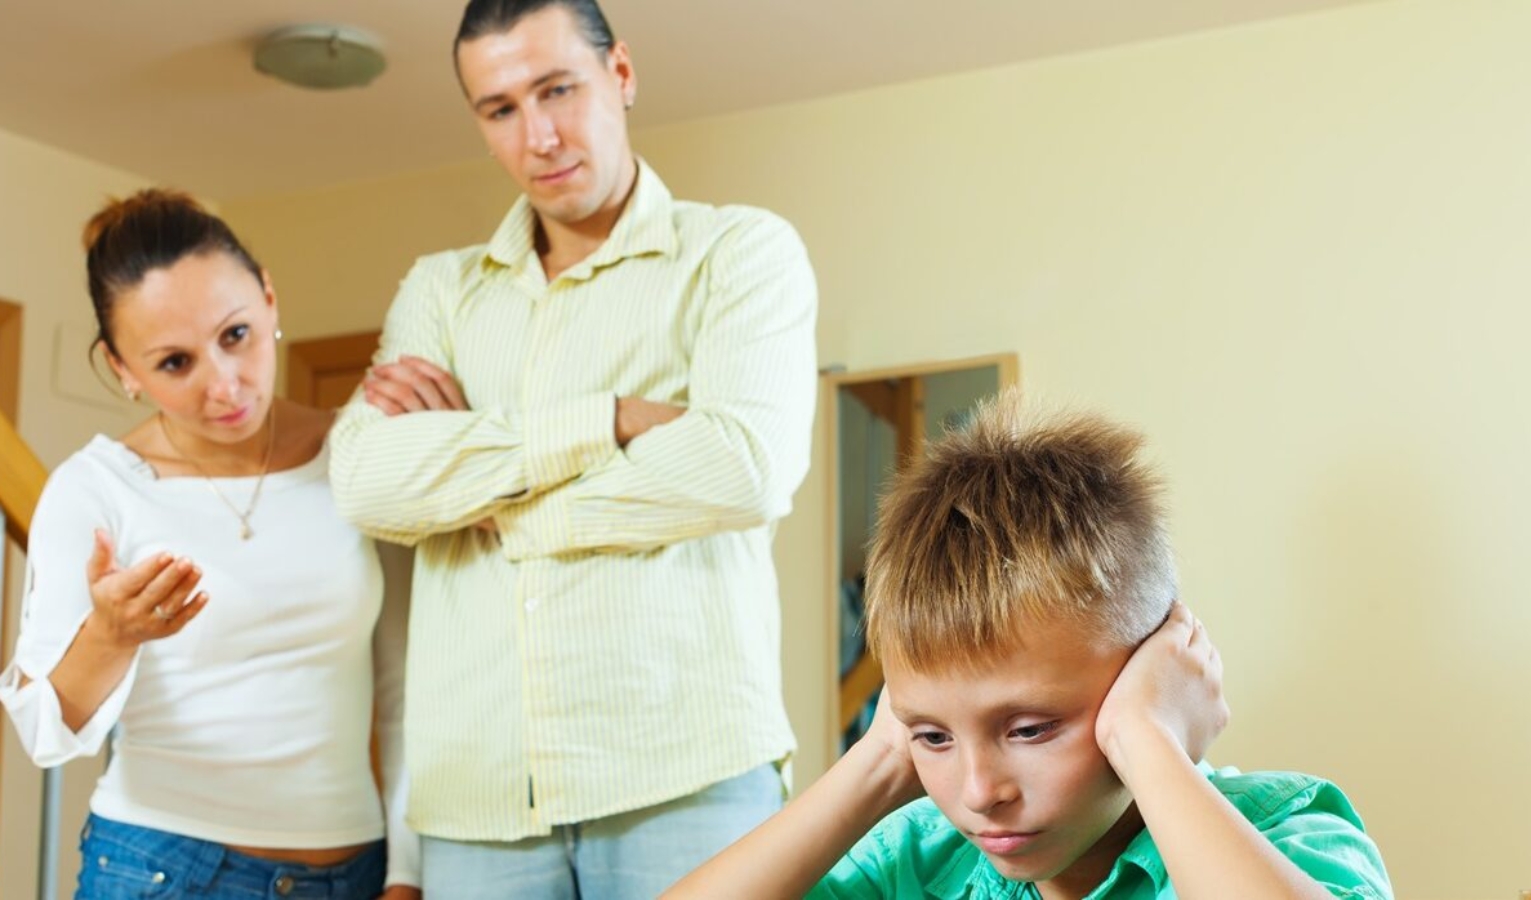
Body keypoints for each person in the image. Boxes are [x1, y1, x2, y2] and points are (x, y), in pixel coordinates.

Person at [326, 0, 816, 896]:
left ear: (620, 75)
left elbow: (744, 467)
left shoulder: (739, 253)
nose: (539, 135)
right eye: (500, 108)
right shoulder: (441, 292)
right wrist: (610, 422)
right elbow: (364, 483)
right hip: (478, 798)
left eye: (558, 90)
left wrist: (481, 496)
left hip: (689, 773)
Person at [666, 394, 1394, 899]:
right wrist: (881, 760)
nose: (981, 794)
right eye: (933, 735)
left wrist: (1148, 742)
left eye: (1029, 729)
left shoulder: (1288, 833)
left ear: (1149, 676)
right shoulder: (920, 861)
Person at [0, 190, 420, 899]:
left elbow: (405, 689)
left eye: (236, 335)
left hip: (357, 872)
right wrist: (111, 635)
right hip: (164, 870)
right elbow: (45, 733)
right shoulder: (96, 490)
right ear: (123, 370)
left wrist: (407, 875)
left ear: (269, 300)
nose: (224, 385)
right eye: (174, 363)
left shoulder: (355, 453)